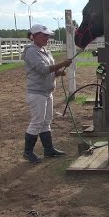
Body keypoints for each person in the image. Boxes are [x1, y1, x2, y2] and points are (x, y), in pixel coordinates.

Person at [21, 24, 73, 163]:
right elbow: (43, 70)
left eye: (48, 35)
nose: (47, 38)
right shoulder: (31, 51)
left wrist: (58, 72)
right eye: (44, 35)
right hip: (37, 93)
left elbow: (49, 70)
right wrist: (62, 64)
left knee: (46, 122)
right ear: (34, 36)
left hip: (47, 91)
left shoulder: (45, 51)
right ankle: (28, 152)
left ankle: (49, 149)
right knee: (37, 122)